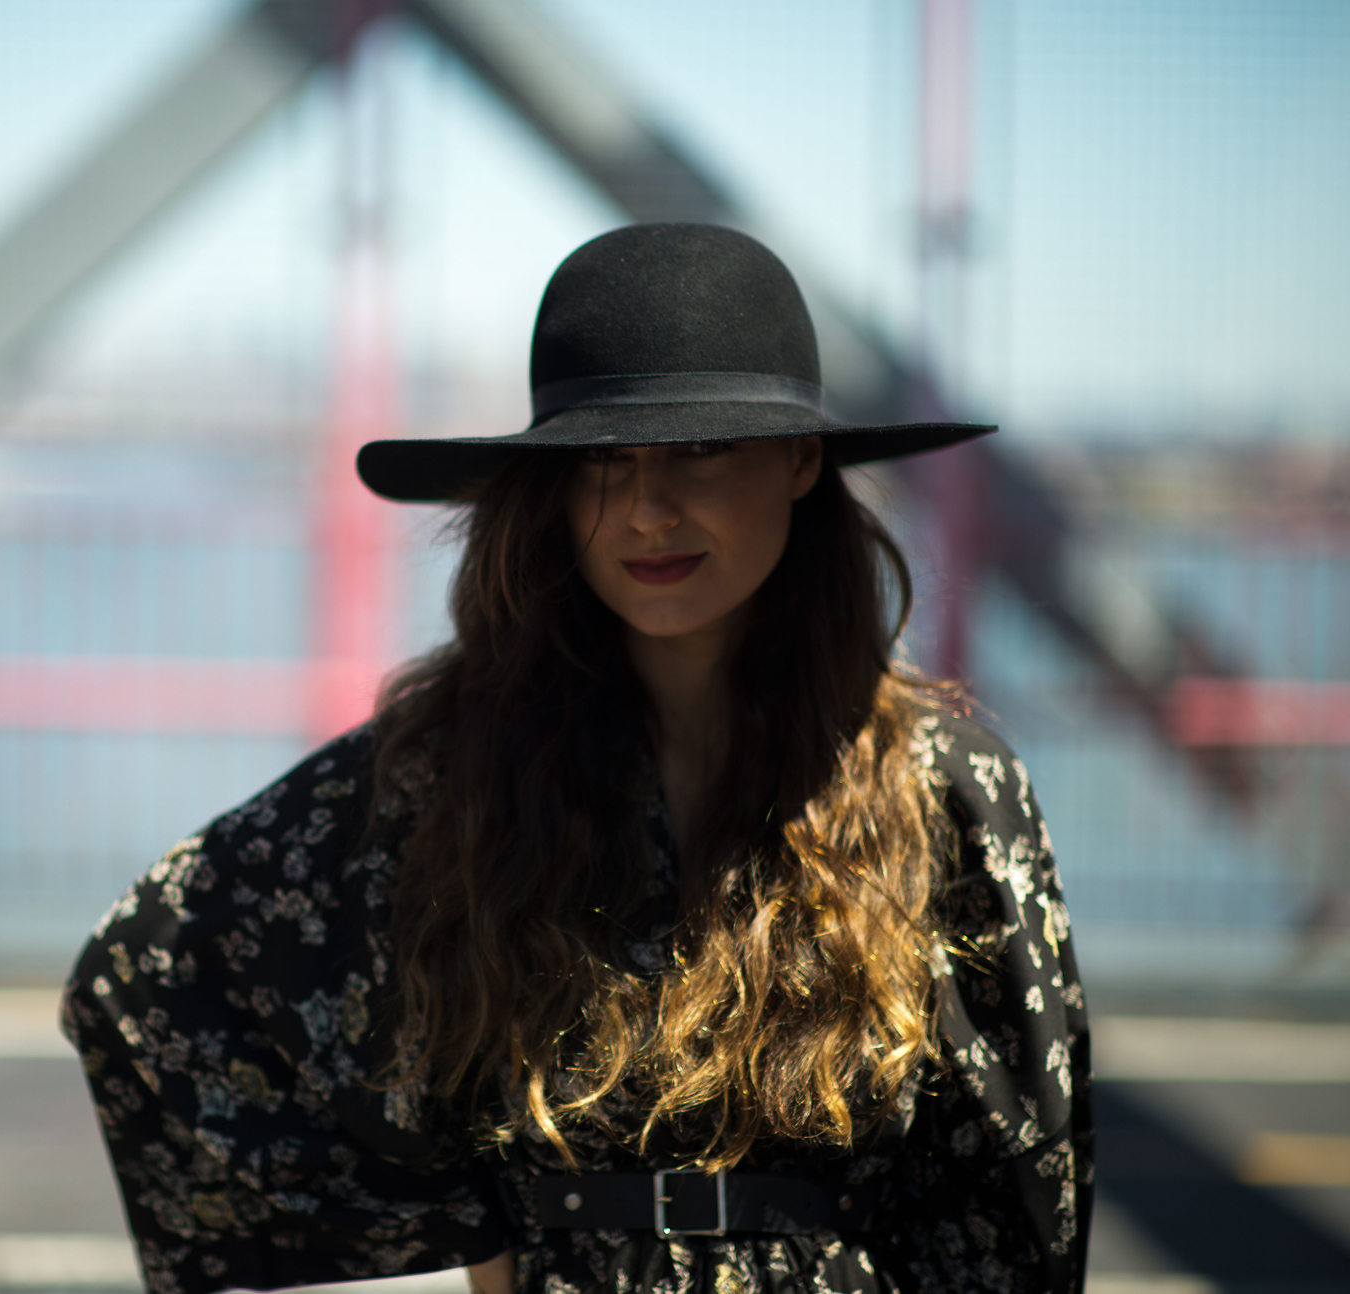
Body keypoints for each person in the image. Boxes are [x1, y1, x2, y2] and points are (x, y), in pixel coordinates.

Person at [63, 223, 1090, 1294]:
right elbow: (144, 978)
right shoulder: (452, 772)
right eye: (603, 457)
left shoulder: (943, 785)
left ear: (801, 462)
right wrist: (472, 1225)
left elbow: (1017, 1190)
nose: (648, 508)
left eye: (700, 448)